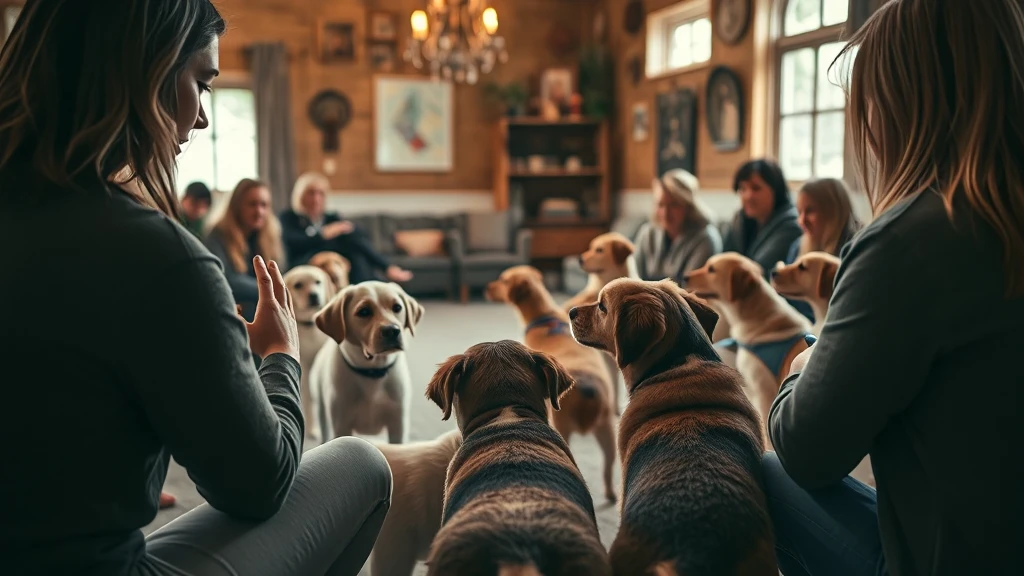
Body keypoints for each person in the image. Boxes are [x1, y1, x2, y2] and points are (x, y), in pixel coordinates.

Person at [0, 2, 392, 575]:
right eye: (202, 83)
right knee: (362, 464)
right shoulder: (160, 260)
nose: (203, 117)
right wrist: (279, 353)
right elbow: (261, 484)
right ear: (149, 73)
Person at [764, 1, 1024, 575]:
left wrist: (801, 370)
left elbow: (807, 451)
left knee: (764, 471)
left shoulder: (906, 244)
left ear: (904, 101)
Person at [279, 172, 412, 284]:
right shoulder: (288, 217)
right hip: (305, 260)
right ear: (301, 195)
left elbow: (358, 236)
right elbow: (294, 242)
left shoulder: (330, 217)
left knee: (355, 252)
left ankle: (374, 283)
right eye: (311, 193)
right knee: (348, 247)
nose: (316, 198)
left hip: (335, 257)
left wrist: (343, 229)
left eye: (321, 193)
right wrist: (324, 234)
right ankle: (383, 273)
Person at [781, 178, 863, 321]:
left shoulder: (855, 249)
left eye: (810, 211)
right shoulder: (797, 247)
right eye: (799, 212)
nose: (801, 221)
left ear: (833, 210)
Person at [206, 178, 286, 322]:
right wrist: (273, 289)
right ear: (237, 206)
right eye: (252, 204)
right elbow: (226, 280)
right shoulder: (217, 235)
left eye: (264, 205)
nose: (259, 211)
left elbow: (282, 270)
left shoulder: (270, 235)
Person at [633, 169, 722, 286]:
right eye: (661, 205)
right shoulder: (647, 233)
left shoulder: (707, 238)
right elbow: (634, 277)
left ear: (689, 206)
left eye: (674, 205)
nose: (665, 213)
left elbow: (691, 288)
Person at [722, 159, 802, 277]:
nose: (748, 196)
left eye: (756, 188)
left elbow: (758, 273)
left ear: (776, 191)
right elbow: (722, 263)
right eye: (743, 189)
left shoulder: (791, 225)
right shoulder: (739, 220)